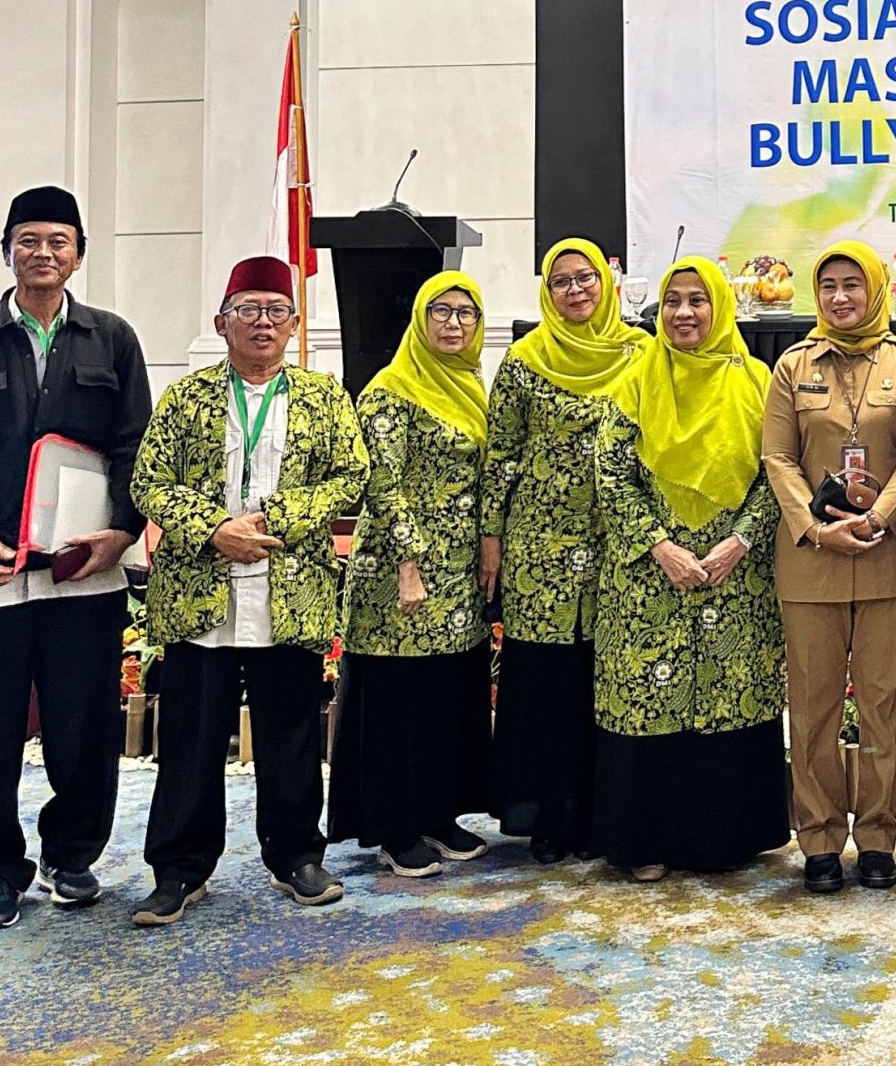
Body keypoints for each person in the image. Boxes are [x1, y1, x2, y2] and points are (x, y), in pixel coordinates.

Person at [129, 259, 368, 924]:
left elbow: (350, 476)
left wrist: (277, 520)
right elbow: (148, 481)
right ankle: (179, 869)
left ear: (294, 324)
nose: (262, 322)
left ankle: (296, 857)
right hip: (199, 592)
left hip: (289, 590)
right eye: (248, 309)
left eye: (275, 310)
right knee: (191, 738)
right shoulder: (187, 397)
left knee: (290, 734)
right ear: (222, 322)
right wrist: (215, 529)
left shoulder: (324, 398)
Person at [0, 186, 150, 930]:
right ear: (6, 250)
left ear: (79, 254)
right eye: (28, 239)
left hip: (82, 574)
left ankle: (73, 856)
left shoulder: (112, 339)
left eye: (58, 240)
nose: (43, 252)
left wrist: (121, 531)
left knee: (84, 727)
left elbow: (135, 445)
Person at [593, 257, 788, 876]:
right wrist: (660, 546)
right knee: (651, 696)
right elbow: (611, 473)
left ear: (719, 308)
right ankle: (643, 841)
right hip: (649, 577)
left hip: (735, 575)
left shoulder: (756, 380)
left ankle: (726, 838)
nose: (683, 313)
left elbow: (779, 469)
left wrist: (740, 541)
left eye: (697, 300)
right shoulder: (636, 379)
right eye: (673, 300)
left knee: (731, 696)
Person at [762, 241, 896, 892]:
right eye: (829, 286)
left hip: (887, 558)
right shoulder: (792, 365)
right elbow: (777, 457)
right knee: (811, 709)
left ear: (875, 290)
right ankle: (817, 841)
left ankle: (877, 839)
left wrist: (877, 517)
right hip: (811, 562)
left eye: (852, 285)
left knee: (883, 706)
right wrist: (816, 527)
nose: (840, 297)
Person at [329, 273, 493, 877]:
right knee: (398, 698)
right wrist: (408, 565)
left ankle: (437, 814)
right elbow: (383, 483)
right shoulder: (390, 391)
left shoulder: (470, 384)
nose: (454, 323)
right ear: (420, 320)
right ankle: (395, 828)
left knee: (444, 694)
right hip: (400, 570)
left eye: (466, 313)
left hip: (458, 570)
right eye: (440, 311)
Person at [482, 238, 640, 863]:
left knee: (609, 674)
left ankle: (607, 814)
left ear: (606, 283)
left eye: (585, 278)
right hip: (539, 545)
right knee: (546, 681)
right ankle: (547, 817)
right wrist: (491, 537)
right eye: (561, 281)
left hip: (618, 539)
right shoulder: (524, 360)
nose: (575, 290)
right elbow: (501, 453)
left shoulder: (640, 352)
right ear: (547, 292)